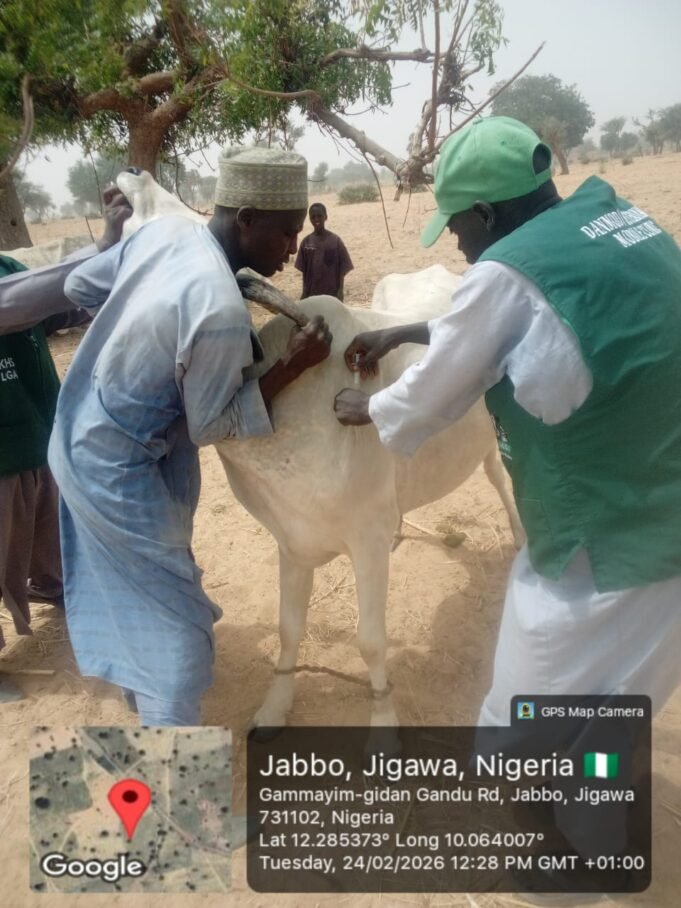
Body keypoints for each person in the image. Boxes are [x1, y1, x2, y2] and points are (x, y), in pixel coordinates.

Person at [333, 116, 681, 840]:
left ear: (486, 213)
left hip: (600, 543)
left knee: (523, 723)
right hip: (665, 517)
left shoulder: (505, 272)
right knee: (618, 707)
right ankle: (592, 831)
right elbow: (542, 319)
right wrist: (407, 330)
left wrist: (371, 407)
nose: (458, 245)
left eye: (458, 227)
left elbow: (434, 392)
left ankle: (555, 855)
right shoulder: (621, 221)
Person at [41, 147, 332, 727]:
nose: (292, 249)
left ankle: (140, 701)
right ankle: (173, 777)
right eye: (285, 232)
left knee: (135, 593)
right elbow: (210, 423)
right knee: (179, 636)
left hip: (75, 432)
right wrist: (293, 365)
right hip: (117, 469)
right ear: (246, 219)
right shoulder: (219, 310)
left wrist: (144, 319)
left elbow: (78, 284)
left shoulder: (168, 233)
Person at [0, 190, 131, 651]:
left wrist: (113, 287)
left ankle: (51, 583)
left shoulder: (8, 267)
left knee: (47, 526)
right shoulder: (11, 287)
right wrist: (104, 249)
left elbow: (55, 307)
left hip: (37, 428)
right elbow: (18, 303)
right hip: (3, 450)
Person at [294, 202, 354, 300]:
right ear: (310, 219)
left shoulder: (335, 240)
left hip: (332, 294)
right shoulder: (306, 242)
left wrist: (340, 290)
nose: (316, 219)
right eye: (313, 217)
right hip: (312, 294)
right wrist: (304, 292)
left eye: (319, 216)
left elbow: (343, 267)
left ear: (326, 217)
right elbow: (304, 271)